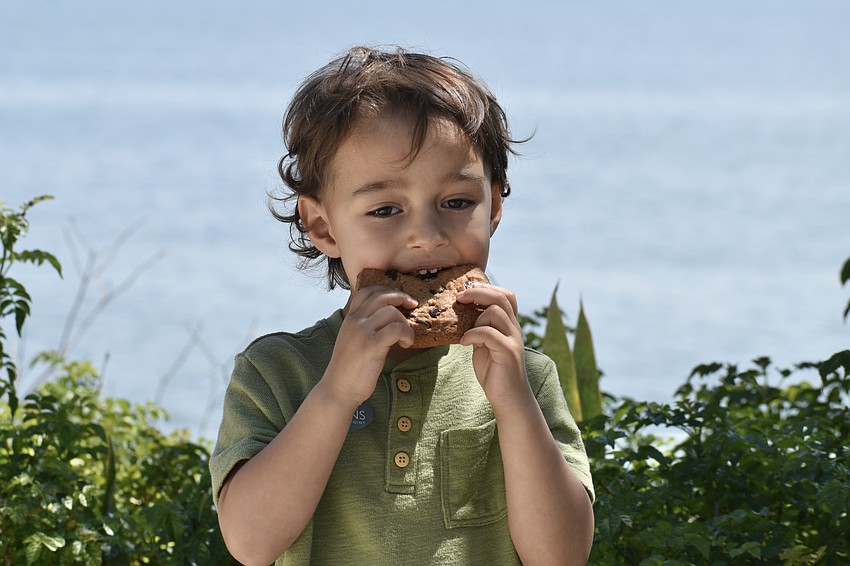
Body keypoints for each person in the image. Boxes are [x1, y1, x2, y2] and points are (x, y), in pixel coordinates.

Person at [210, 45, 595, 566]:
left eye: (457, 202)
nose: (426, 235)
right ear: (323, 226)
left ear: (494, 207)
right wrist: (336, 393)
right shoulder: (277, 371)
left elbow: (562, 556)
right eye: (386, 209)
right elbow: (250, 543)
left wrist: (515, 406)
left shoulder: (526, 376)